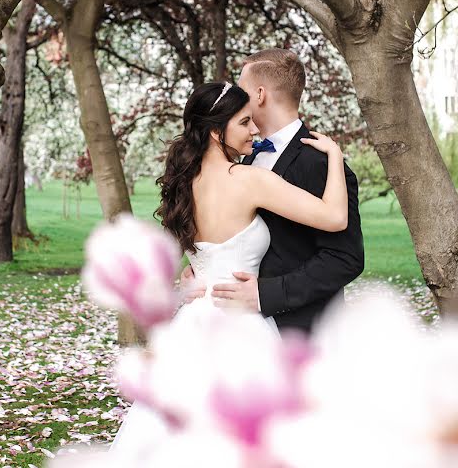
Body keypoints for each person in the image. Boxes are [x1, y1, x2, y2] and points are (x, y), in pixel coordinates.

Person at [110, 78, 349, 454]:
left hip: (193, 323)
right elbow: (335, 217)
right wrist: (335, 156)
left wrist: (193, 272)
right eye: (243, 122)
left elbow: (175, 259)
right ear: (215, 131)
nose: (254, 129)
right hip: (241, 326)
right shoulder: (248, 180)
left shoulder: (182, 183)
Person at [183, 48, 364, 333]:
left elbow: (345, 258)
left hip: (302, 331)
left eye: (241, 89)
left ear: (259, 95)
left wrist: (265, 295)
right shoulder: (244, 160)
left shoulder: (321, 163)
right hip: (234, 326)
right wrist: (203, 272)